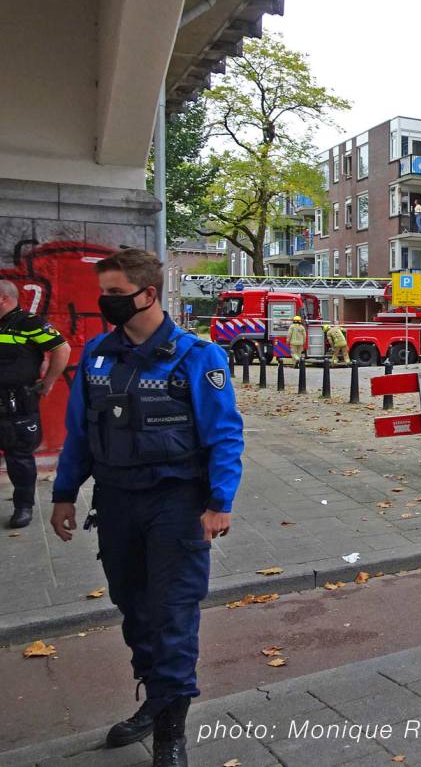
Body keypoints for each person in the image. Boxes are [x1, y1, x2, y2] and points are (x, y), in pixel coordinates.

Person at [49, 249, 243, 765]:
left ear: (148, 294)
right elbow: (79, 434)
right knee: (134, 608)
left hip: (176, 504)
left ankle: (170, 732)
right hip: (116, 503)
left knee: (172, 613)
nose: (105, 302)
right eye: (103, 293)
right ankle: (157, 701)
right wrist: (64, 493)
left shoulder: (197, 357)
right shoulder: (97, 355)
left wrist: (220, 502)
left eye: (115, 293)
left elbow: (225, 435)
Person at [0, 280, 71, 528]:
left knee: (19, 457)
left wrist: (48, 382)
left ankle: (23, 506)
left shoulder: (30, 323)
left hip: (16, 402)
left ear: (3, 298)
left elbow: (62, 349)